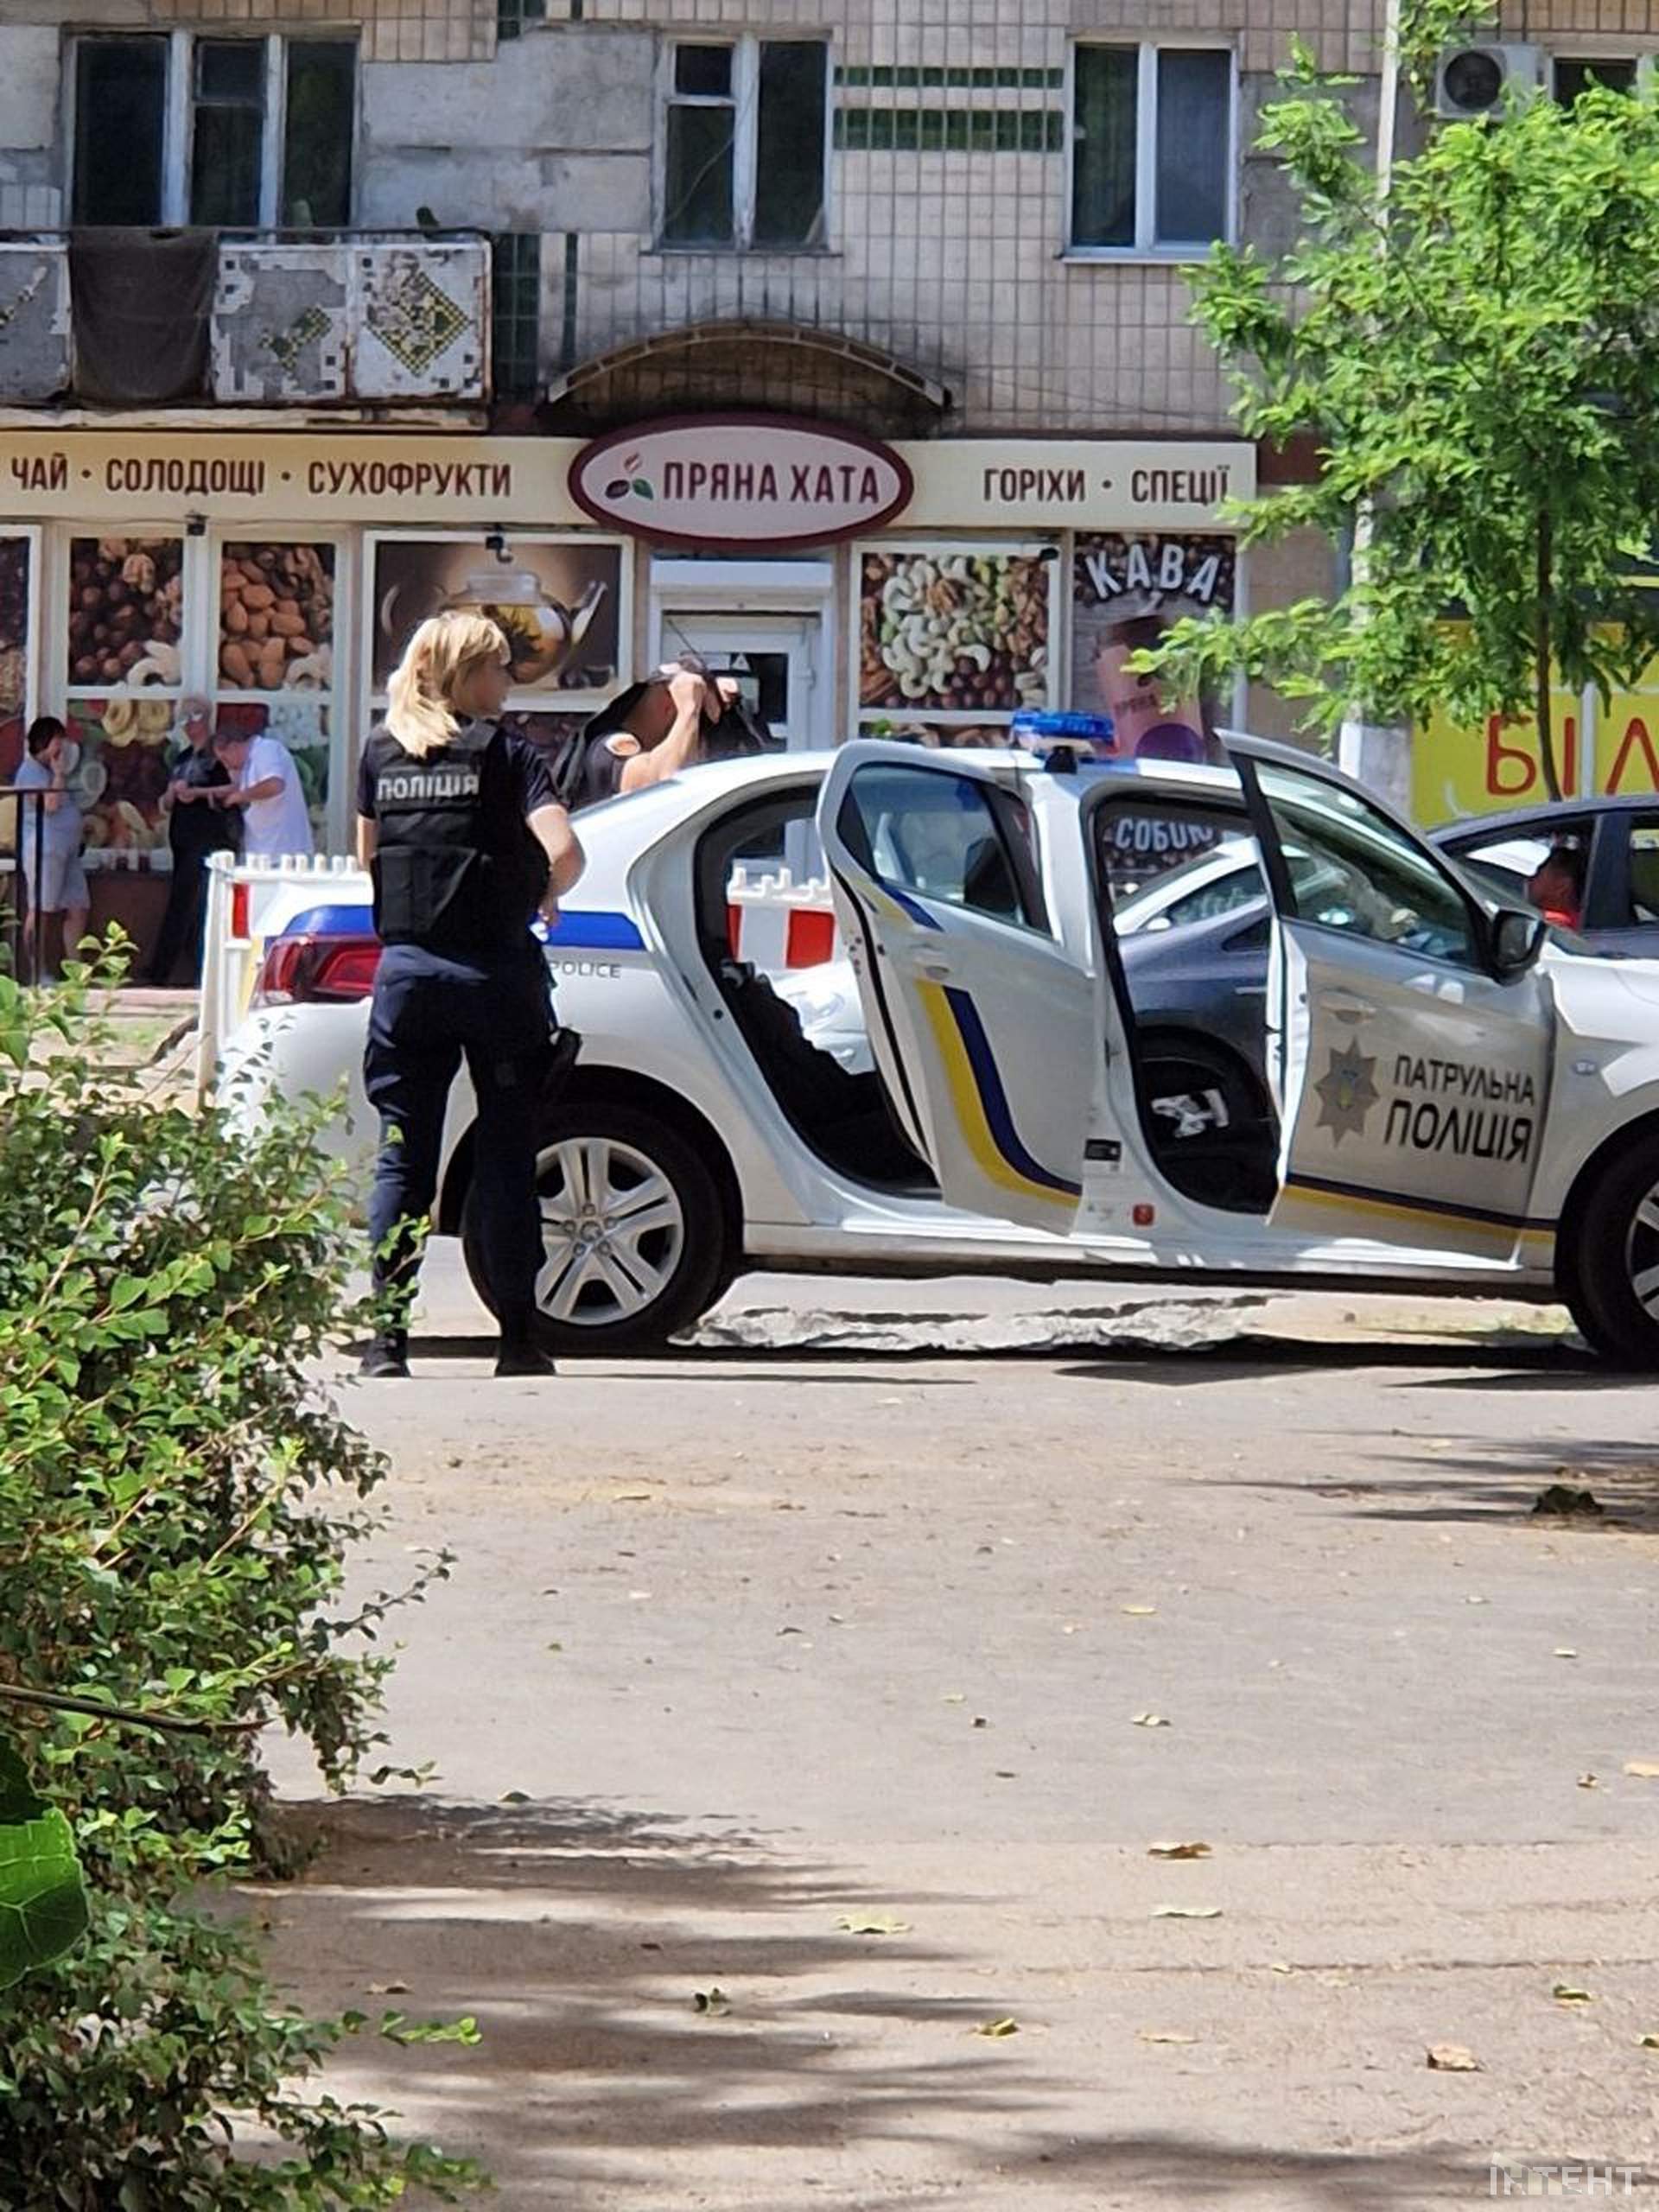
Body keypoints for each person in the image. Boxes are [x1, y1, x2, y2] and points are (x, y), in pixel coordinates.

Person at [356, 611, 584, 1381]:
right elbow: (566, 851)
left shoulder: (380, 753)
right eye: (498, 668)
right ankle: (517, 1341)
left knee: (402, 1162)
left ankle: (387, 1344)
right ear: (466, 676)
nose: (508, 681)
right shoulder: (511, 755)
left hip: (408, 981)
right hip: (494, 981)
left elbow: (369, 859)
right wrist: (542, 891)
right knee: (507, 1157)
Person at [144, 696, 240, 986]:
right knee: (180, 901)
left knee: (200, 905)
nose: (188, 725)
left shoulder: (218, 754)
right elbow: (165, 802)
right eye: (183, 719)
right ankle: (162, 969)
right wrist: (172, 795)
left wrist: (197, 794)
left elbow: (234, 789)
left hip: (208, 836)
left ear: (206, 718)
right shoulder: (182, 757)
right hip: (182, 838)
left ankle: (197, 971)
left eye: (193, 717)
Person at [569, 657, 725, 809]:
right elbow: (664, 784)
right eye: (701, 722)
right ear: (669, 701)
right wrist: (689, 711)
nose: (698, 736)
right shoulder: (613, 744)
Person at [14, 715, 88, 980]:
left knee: (78, 906)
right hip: (45, 850)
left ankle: (76, 970)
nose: (62, 748)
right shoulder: (30, 771)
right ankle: (37, 972)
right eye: (58, 741)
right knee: (42, 910)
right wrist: (58, 774)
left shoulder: (53, 770)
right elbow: (50, 805)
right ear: (44, 742)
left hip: (68, 851)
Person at [213, 721, 315, 861]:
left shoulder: (265, 750)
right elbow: (241, 788)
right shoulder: (248, 763)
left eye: (225, 759)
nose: (226, 765)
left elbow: (274, 785)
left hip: (284, 850)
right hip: (262, 850)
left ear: (234, 747)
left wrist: (239, 796)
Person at [1527, 842, 1586, 931]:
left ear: (1562, 885)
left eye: (1537, 874)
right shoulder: (1582, 922)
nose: (1529, 880)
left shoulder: (1551, 925)